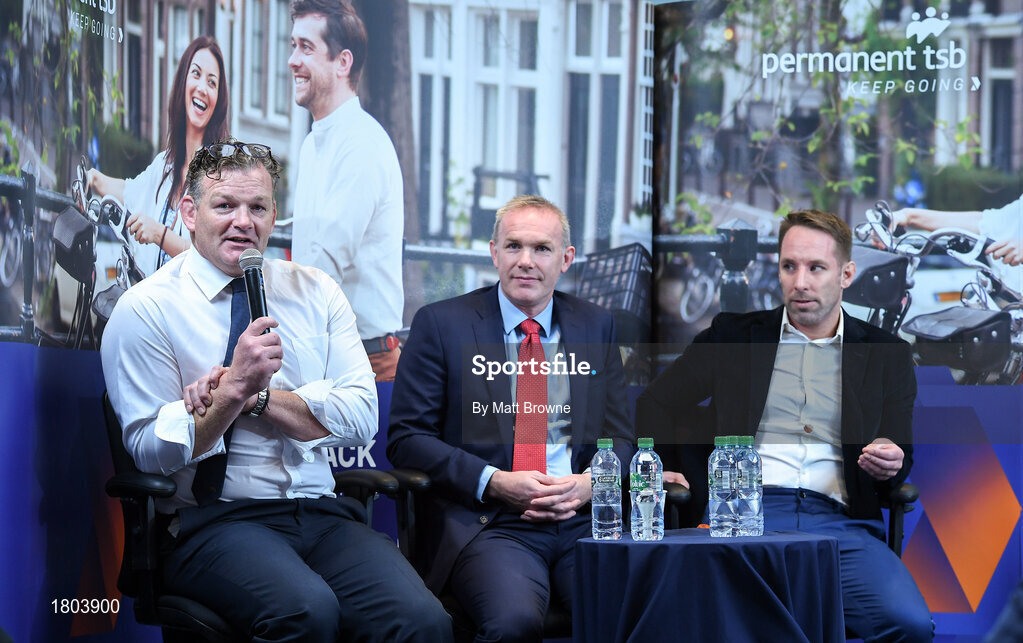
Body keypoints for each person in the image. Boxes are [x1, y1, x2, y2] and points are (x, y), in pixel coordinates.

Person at [100, 139, 450, 641]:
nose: (244, 221)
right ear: (189, 212)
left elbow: (359, 417)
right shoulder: (146, 310)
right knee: (306, 612)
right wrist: (236, 386)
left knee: (424, 621)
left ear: (273, 214)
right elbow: (150, 453)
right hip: (214, 522)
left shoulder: (315, 291)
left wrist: (249, 397)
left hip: (321, 513)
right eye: (225, 205)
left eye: (257, 207)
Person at [637, 209, 933, 642]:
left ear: (846, 274)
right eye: (789, 266)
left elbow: (899, 450)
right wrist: (662, 466)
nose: (800, 282)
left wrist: (890, 457)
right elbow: (656, 402)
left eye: (816, 268)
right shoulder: (735, 337)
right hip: (741, 517)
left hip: (842, 525)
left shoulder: (886, 354)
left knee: (907, 626)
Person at [387, 195, 635, 642]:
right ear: (493, 252)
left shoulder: (596, 325)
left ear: (566, 259)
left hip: (582, 518)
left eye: (541, 248)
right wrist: (495, 481)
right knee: (514, 623)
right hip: (491, 523)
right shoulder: (442, 324)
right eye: (514, 246)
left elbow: (620, 436)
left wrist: (590, 483)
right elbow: (407, 438)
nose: (526, 261)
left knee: (629, 613)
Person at [288, 0, 404, 381]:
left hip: (366, 366)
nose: (292, 60)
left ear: (343, 63)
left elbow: (325, 264)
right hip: (328, 356)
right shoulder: (313, 143)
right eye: (293, 46)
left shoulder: (361, 144)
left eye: (306, 47)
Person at [88, 36, 230, 277]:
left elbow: (210, 255)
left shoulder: (218, 174)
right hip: (154, 307)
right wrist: (94, 178)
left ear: (218, 100)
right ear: (183, 82)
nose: (202, 88)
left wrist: (159, 234)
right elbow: (131, 191)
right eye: (195, 74)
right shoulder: (166, 163)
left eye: (212, 82)